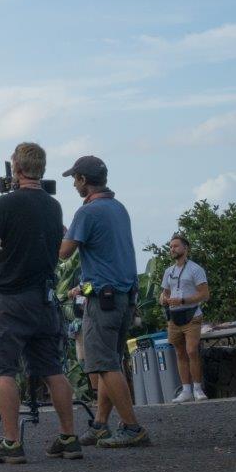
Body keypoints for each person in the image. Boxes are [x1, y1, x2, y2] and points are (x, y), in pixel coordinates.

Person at [0, 142, 80, 464]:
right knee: (52, 369)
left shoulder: (6, 203)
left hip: (11, 299)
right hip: (45, 299)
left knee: (3, 370)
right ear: (41, 170)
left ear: (16, 169)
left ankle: (12, 442)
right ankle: (69, 437)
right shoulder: (54, 205)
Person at [59, 155, 149, 448]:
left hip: (102, 299)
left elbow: (63, 253)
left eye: (75, 179)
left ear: (84, 180)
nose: (74, 184)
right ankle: (100, 424)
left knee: (104, 365)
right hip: (124, 298)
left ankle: (132, 427)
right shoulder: (117, 208)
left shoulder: (87, 212)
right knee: (109, 362)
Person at [160, 232, 210, 402]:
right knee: (180, 353)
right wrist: (163, 298)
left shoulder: (196, 269)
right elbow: (165, 293)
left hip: (192, 315)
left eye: (175, 246)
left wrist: (183, 300)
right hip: (174, 317)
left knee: (191, 351)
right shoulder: (169, 271)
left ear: (185, 248)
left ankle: (198, 388)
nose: (172, 249)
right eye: (170, 247)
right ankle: (186, 390)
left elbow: (204, 294)